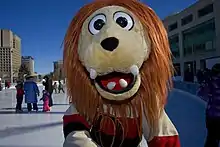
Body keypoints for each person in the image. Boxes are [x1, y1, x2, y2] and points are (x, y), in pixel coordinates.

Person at [204, 63, 220, 147]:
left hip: (211, 116)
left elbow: (200, 92)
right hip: (214, 116)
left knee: (211, 138)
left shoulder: (210, 82)